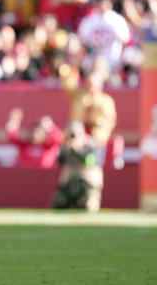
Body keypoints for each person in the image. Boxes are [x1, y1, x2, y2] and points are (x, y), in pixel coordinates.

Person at [60, 57, 117, 212]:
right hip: (75, 141)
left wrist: (85, 140)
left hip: (92, 144)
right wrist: (73, 65)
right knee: (69, 169)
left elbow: (103, 127)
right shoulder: (79, 97)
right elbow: (67, 82)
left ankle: (90, 196)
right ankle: (67, 193)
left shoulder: (105, 102)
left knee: (91, 171)